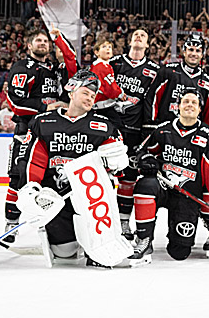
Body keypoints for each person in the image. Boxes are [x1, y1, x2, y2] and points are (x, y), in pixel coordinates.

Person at [21, 70, 128, 267]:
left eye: (93, 96)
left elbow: (117, 163)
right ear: (71, 93)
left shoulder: (103, 126)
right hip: (56, 197)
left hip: (90, 199)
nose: (90, 98)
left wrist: (116, 161)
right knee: (65, 251)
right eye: (85, 93)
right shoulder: (43, 123)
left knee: (95, 243)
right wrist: (32, 188)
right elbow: (34, 162)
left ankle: (98, 242)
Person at [131, 89, 209, 265]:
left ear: (199, 110)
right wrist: (146, 159)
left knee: (179, 252)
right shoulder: (163, 130)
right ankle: (144, 239)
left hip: (187, 194)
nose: (189, 105)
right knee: (145, 185)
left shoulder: (207, 136)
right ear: (178, 106)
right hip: (164, 186)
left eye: (194, 103)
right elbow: (142, 151)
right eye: (186, 101)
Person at [3, 27, 76, 242]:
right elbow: (15, 103)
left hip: (52, 133)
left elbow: (72, 62)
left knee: (53, 177)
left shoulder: (55, 69)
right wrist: (46, 107)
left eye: (46, 41)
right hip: (27, 130)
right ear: (29, 45)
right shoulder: (22, 68)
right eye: (38, 40)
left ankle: (54, 226)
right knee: (18, 176)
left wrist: (59, 39)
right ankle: (11, 223)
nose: (43, 43)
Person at [107, 27, 162, 240]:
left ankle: (123, 222)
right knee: (104, 176)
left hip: (134, 132)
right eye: (136, 35)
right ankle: (101, 221)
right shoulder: (114, 63)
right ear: (129, 41)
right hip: (110, 129)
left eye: (143, 36)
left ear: (147, 45)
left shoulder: (154, 70)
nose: (139, 37)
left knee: (128, 178)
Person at [149, 33, 209, 128]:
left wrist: (207, 132)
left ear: (202, 55)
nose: (194, 54)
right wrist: (150, 124)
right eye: (191, 49)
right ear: (184, 52)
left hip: (192, 132)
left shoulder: (208, 83)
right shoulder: (167, 71)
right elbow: (152, 98)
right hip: (165, 129)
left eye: (198, 51)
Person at [89, 36, 124, 120]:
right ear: (96, 52)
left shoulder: (102, 65)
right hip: (101, 106)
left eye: (110, 47)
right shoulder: (101, 66)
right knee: (117, 125)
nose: (108, 49)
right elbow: (110, 88)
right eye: (104, 47)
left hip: (100, 105)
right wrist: (120, 94)